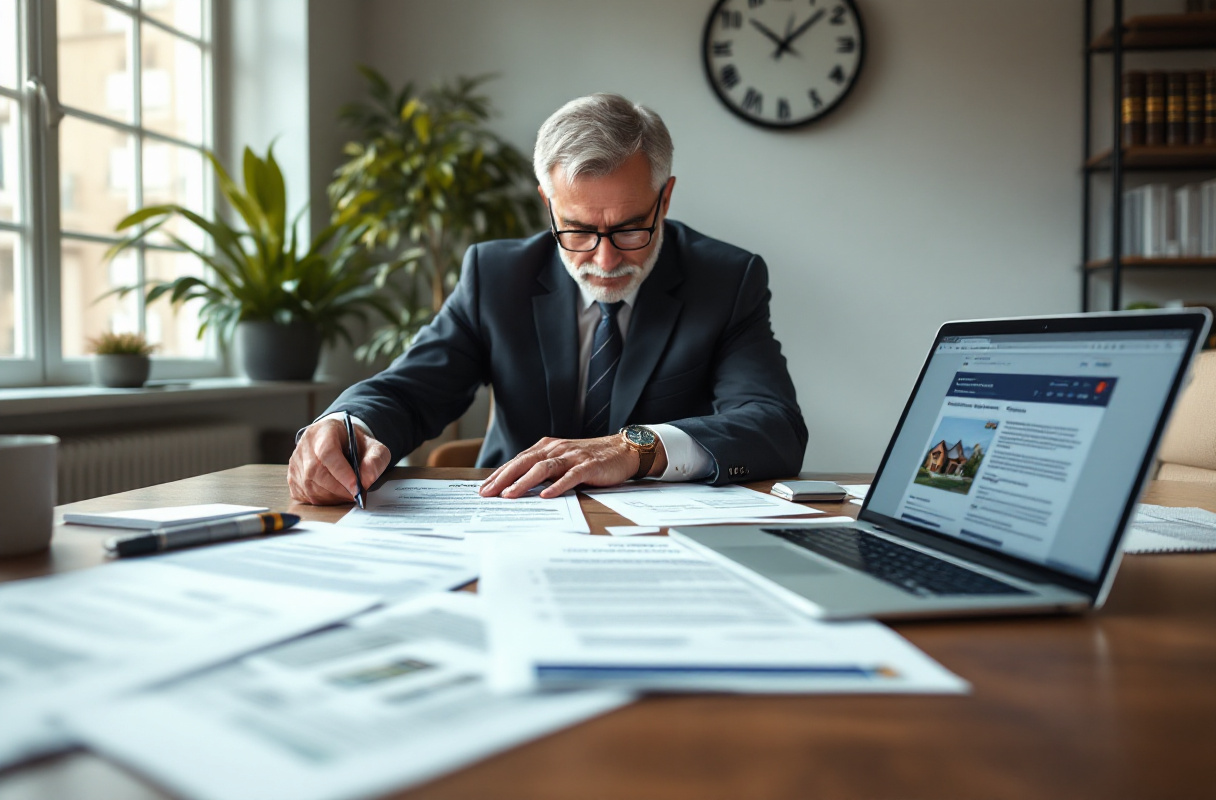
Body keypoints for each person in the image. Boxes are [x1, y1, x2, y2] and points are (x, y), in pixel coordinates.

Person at [288, 93, 807, 504]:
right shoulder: (496, 275)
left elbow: (774, 425)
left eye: (630, 230)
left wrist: (633, 449)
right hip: (508, 517)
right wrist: (344, 427)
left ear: (664, 197)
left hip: (657, 537)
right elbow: (408, 391)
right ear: (548, 204)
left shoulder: (726, 278)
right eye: (578, 230)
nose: (605, 262)